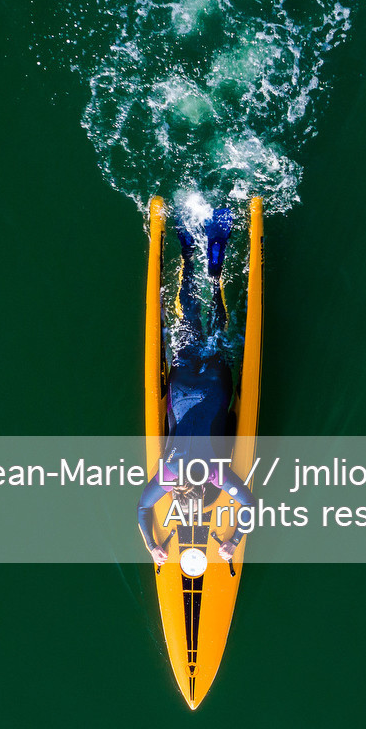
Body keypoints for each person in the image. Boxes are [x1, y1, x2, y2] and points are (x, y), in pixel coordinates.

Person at [136, 205, 257, 565]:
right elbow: (141, 508)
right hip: (183, 380)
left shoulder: (215, 474)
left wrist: (235, 539)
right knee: (188, 317)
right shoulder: (169, 475)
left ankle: (215, 272)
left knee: (218, 327)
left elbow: (250, 504)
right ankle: (187, 251)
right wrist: (150, 544)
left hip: (217, 383)